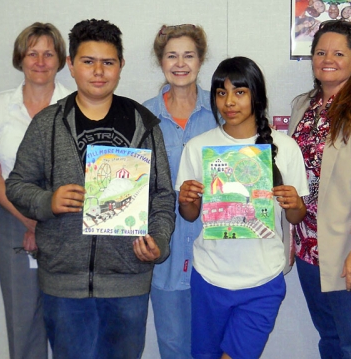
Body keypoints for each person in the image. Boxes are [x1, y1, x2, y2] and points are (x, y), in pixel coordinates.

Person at [5, 19, 175, 358]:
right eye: (88, 61)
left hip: (128, 279)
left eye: (108, 62)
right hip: (63, 283)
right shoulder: (48, 123)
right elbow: (17, 185)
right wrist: (47, 201)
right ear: (70, 65)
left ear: (121, 66)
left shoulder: (143, 123)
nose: (98, 71)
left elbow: (162, 196)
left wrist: (158, 242)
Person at [176, 56, 309, 359]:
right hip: (210, 275)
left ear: (256, 95)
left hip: (263, 279)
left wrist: (293, 203)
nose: (229, 102)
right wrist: (187, 200)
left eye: (239, 92)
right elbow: (190, 215)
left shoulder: (285, 147)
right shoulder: (198, 147)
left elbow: (296, 215)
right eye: (221, 93)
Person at [288, 20, 351, 358]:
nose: (327, 59)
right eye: (320, 52)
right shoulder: (302, 106)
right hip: (309, 249)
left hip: (349, 252)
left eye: (338, 53)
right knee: (330, 341)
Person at [0, 22, 70, 359]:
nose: (41, 61)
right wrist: (30, 221)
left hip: (65, 223)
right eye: (32, 53)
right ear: (20, 58)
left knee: (66, 320)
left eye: (49, 53)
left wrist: (45, 219)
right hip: (14, 221)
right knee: (22, 319)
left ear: (60, 60)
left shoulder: (74, 105)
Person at [142, 24, 215, 359]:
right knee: (172, 346)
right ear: (161, 61)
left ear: (201, 61)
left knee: (212, 346)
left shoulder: (221, 114)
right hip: (164, 253)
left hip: (214, 250)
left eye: (189, 55)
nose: (180, 63)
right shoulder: (143, 116)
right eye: (172, 55)